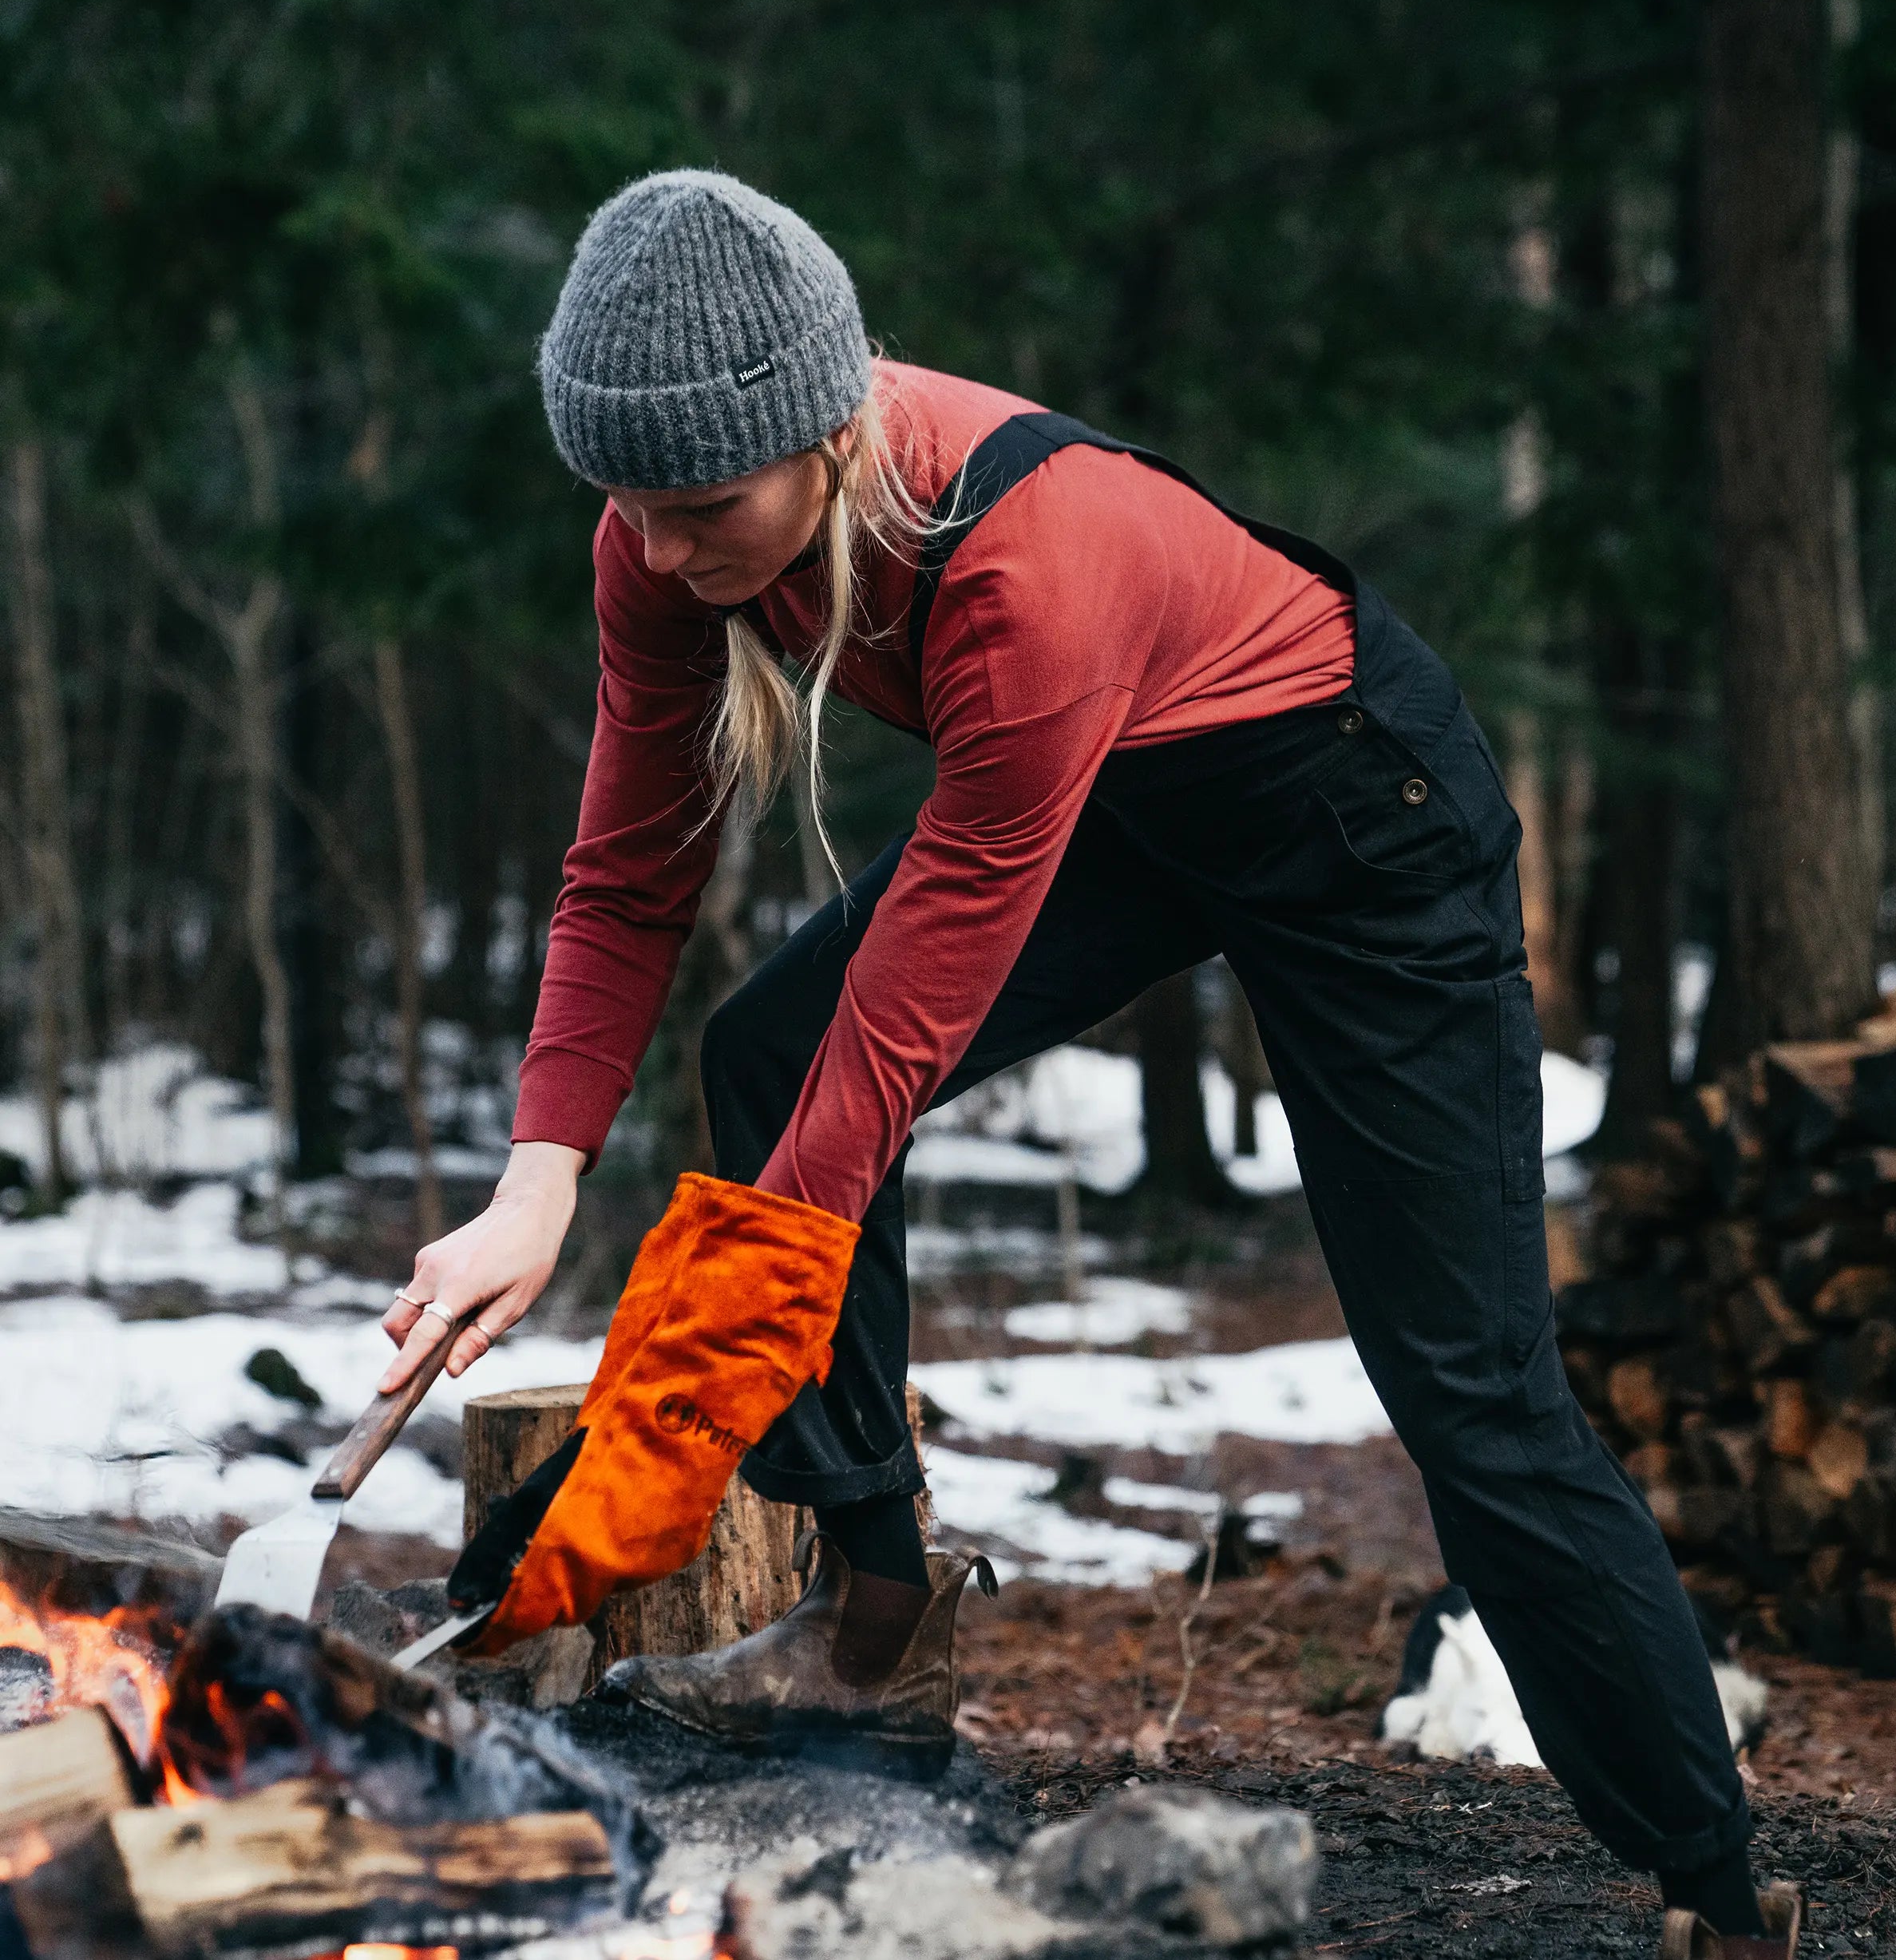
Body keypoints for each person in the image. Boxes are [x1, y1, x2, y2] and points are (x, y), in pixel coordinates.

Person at [376, 171, 1799, 1957]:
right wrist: (537, 1180)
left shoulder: (1021, 563)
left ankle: (1718, 1891)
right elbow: (626, 866)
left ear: (823, 434)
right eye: (624, 504)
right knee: (767, 1047)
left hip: (1359, 813)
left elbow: (893, 1038)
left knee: (1472, 1392)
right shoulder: (661, 537)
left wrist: (658, 1428)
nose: (659, 552)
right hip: (1130, 799)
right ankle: (873, 1620)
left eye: (697, 506)